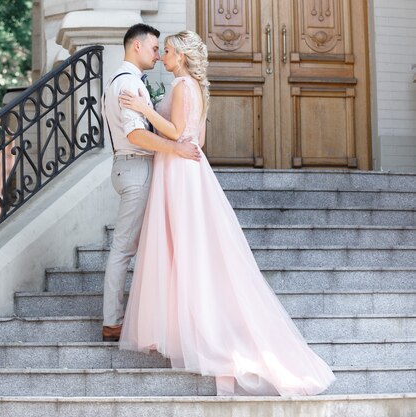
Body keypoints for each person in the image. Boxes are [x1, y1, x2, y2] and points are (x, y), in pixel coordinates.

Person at [117, 30, 335, 396]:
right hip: (188, 166)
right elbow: (197, 140)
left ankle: (193, 329)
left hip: (178, 171)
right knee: (190, 247)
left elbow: (174, 130)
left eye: (167, 51)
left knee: (181, 246)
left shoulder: (182, 86)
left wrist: (143, 110)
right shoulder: (196, 87)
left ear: (182, 57)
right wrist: (177, 139)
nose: (163, 57)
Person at [100, 24, 202, 342]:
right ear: (137, 47)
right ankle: (113, 321)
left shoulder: (125, 81)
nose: (158, 55)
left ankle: (165, 317)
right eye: (155, 48)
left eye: (163, 50)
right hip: (136, 167)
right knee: (125, 249)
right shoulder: (129, 85)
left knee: (158, 246)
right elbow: (135, 134)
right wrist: (175, 147)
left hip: (131, 166)